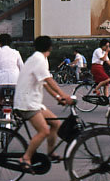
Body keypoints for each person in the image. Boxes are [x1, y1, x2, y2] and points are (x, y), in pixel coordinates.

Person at [13, 35, 75, 172]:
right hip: (26, 103)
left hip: (31, 101)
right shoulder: (39, 60)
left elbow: (44, 82)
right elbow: (49, 80)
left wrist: (58, 97)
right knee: (44, 131)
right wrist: (65, 95)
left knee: (55, 123)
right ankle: (26, 158)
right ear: (50, 47)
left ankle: (50, 153)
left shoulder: (37, 59)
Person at [0, 33, 24, 128]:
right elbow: (22, 67)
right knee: (17, 103)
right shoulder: (16, 52)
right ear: (10, 43)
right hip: (14, 81)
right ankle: (17, 117)